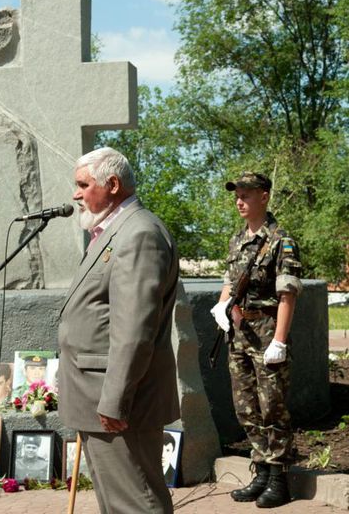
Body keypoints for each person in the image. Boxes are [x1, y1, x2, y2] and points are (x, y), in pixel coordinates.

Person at [58, 146, 180, 514]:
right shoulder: (114, 231)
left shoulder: (138, 233)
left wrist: (114, 400)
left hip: (117, 403)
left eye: (83, 185)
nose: (76, 194)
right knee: (120, 503)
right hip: (98, 397)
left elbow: (134, 330)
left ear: (112, 184)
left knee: (135, 503)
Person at [210, 172, 302, 508]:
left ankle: (279, 479)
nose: (239, 200)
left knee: (272, 407)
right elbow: (230, 280)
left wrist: (280, 340)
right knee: (246, 406)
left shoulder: (281, 240)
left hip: (266, 332)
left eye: (246, 194)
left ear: (264, 196)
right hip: (240, 333)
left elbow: (288, 294)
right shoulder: (237, 240)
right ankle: (261, 471)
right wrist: (222, 306)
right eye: (237, 194)